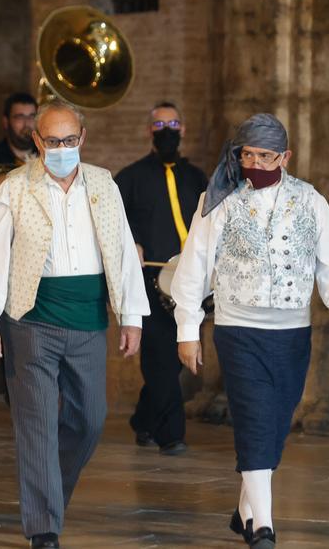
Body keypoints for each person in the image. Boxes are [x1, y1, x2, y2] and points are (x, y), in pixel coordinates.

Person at [0, 98, 149, 549]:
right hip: (30, 318)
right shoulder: (15, 186)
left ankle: (47, 494)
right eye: (52, 141)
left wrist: (132, 314)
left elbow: (123, 250)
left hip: (87, 319)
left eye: (69, 140)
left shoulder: (104, 185)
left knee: (91, 420)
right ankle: (43, 525)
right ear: (37, 140)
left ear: (82, 139)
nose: (62, 147)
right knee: (37, 424)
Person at [172, 114, 329, 549]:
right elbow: (194, 266)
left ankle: (244, 510)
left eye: (265, 155)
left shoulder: (310, 201)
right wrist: (187, 327)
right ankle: (263, 527)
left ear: (285, 157)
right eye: (247, 153)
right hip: (238, 329)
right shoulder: (219, 199)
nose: (254, 161)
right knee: (254, 418)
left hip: (291, 332)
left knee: (275, 423)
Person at [114, 102, 206, 455]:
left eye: (173, 122)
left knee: (171, 361)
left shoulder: (198, 178)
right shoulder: (130, 177)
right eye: (158, 123)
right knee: (160, 358)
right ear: (148, 131)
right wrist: (131, 243)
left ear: (183, 129)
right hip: (150, 284)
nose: (166, 129)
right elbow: (114, 224)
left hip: (190, 285)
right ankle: (172, 435)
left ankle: (143, 420)